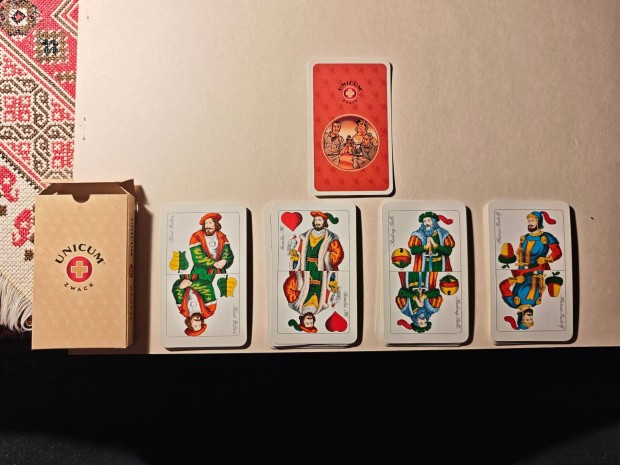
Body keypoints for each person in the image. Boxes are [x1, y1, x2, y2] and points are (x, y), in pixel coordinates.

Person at [189, 212, 234, 281]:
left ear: (215, 224)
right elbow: (198, 257)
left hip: (219, 271)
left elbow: (228, 253)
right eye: (206, 223)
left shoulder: (222, 237)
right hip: (201, 272)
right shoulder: (196, 236)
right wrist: (214, 263)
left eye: (210, 223)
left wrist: (224, 260)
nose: (207, 226)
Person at [515, 211, 562, 275]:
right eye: (529, 221)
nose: (530, 223)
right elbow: (521, 251)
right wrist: (519, 252)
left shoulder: (547, 236)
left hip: (540, 269)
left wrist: (546, 259)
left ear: (539, 222)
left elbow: (557, 252)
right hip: (523, 270)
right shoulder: (525, 237)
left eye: (533, 221)